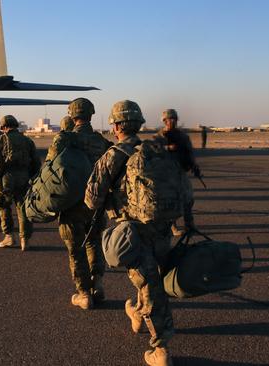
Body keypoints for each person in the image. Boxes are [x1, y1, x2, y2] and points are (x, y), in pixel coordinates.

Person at [85, 100, 176, 366]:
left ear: (116, 126)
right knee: (151, 276)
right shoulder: (155, 150)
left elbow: (91, 199)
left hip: (134, 230)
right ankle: (137, 314)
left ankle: (161, 350)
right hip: (162, 224)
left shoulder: (115, 154)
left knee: (150, 286)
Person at [47, 97, 112, 309]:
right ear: (91, 114)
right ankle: (98, 283)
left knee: (75, 249)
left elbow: (49, 168)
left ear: (72, 116)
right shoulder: (101, 141)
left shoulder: (63, 139)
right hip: (96, 203)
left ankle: (83, 293)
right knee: (94, 242)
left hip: (71, 203)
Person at [0, 115, 40, 251]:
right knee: (23, 208)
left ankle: (9, 236)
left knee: (3, 206)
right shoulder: (27, 141)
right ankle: (25, 239)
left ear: (3, 127)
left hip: (6, 179)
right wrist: (34, 179)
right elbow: (36, 163)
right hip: (24, 178)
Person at [159, 109, 199, 236]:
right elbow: (152, 150)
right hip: (166, 174)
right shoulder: (160, 136)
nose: (172, 121)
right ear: (164, 121)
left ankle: (190, 225)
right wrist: (167, 148)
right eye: (169, 119)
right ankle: (173, 227)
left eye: (174, 119)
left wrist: (194, 165)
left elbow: (189, 152)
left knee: (188, 198)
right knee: (171, 201)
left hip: (181, 172)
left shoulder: (183, 136)